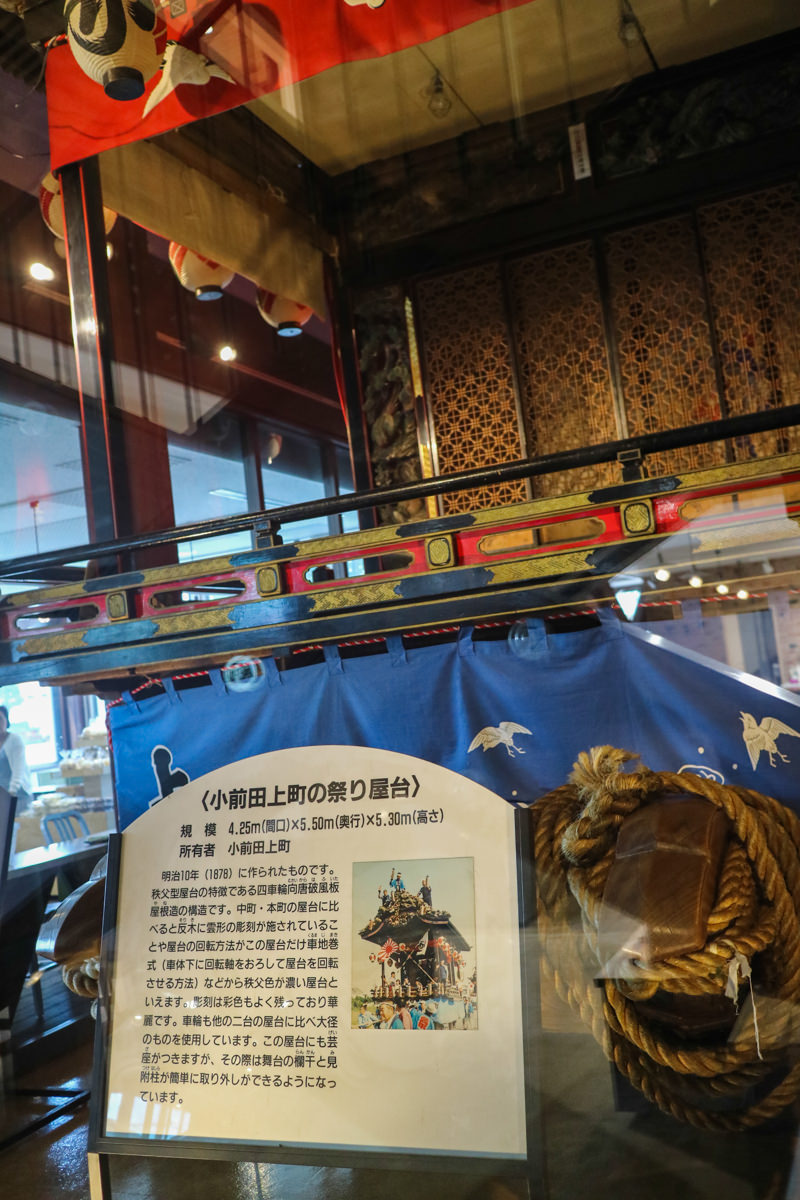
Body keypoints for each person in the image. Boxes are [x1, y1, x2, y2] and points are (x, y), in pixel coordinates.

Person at [0, 705, 32, 812]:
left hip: (17, 795)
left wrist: (11, 793)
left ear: (6, 720)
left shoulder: (15, 739)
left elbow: (19, 771)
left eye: (0, 719)